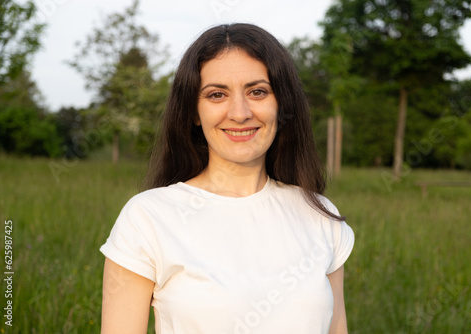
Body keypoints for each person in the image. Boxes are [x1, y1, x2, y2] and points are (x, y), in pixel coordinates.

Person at [100, 23, 354, 334]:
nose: (239, 112)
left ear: (281, 104)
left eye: (257, 91)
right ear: (194, 112)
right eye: (217, 94)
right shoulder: (147, 218)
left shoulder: (320, 216)